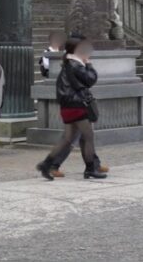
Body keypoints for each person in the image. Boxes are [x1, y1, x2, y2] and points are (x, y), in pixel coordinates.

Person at [37, 38, 107, 181]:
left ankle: (46, 164)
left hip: (68, 107)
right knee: (88, 137)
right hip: (77, 106)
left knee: (67, 138)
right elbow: (91, 79)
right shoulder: (76, 65)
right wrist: (88, 63)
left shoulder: (68, 64)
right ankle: (90, 169)